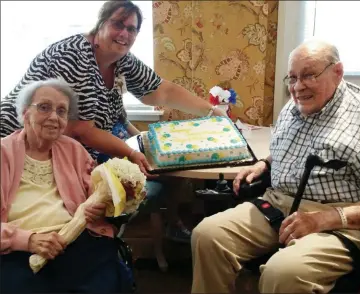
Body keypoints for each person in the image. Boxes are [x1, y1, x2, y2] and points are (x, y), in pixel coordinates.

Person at [191, 39, 360, 293]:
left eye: (309, 75)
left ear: (337, 72)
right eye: (292, 78)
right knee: (207, 236)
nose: (298, 87)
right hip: (278, 204)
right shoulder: (296, 104)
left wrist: (323, 219)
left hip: (337, 221)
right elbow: (287, 149)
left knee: (283, 274)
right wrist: (263, 164)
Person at [0, 0, 225, 178]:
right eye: (118, 24)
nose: (124, 34)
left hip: (67, 144)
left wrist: (211, 112)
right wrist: (134, 154)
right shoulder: (74, 56)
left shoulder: (122, 60)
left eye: (132, 29)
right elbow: (81, 129)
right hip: (19, 143)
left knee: (162, 169)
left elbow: (161, 90)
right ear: (101, 24)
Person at [0, 79, 133, 293]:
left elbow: (95, 190)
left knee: (103, 282)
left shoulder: (73, 149)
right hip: (16, 249)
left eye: (61, 111)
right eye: (44, 107)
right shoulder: (3, 153)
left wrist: (103, 203)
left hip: (75, 241)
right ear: (25, 113)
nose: (54, 116)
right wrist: (27, 240)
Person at [97, 114, 192, 272]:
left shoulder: (116, 111)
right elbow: (107, 157)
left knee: (177, 176)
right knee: (170, 178)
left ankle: (173, 221)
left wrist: (151, 149)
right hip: (119, 170)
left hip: (135, 161)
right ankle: (166, 236)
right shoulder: (98, 123)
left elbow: (138, 136)